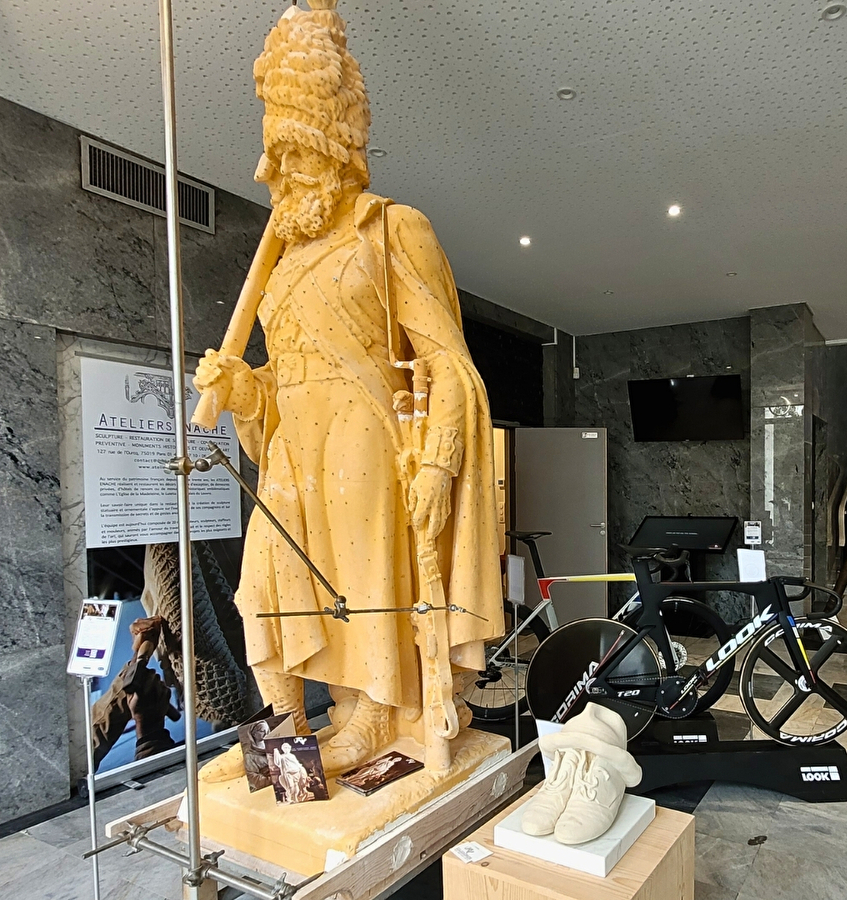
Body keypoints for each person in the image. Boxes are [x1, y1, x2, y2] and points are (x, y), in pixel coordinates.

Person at [194, 0, 498, 779]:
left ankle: (372, 715)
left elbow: (449, 363)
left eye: (296, 153)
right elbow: (283, 375)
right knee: (266, 584)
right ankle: (284, 738)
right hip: (293, 450)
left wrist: (439, 463)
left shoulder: (391, 228)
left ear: (334, 149)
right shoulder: (281, 263)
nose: (279, 173)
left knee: (360, 589)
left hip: (367, 443)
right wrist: (244, 390)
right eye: (276, 156)